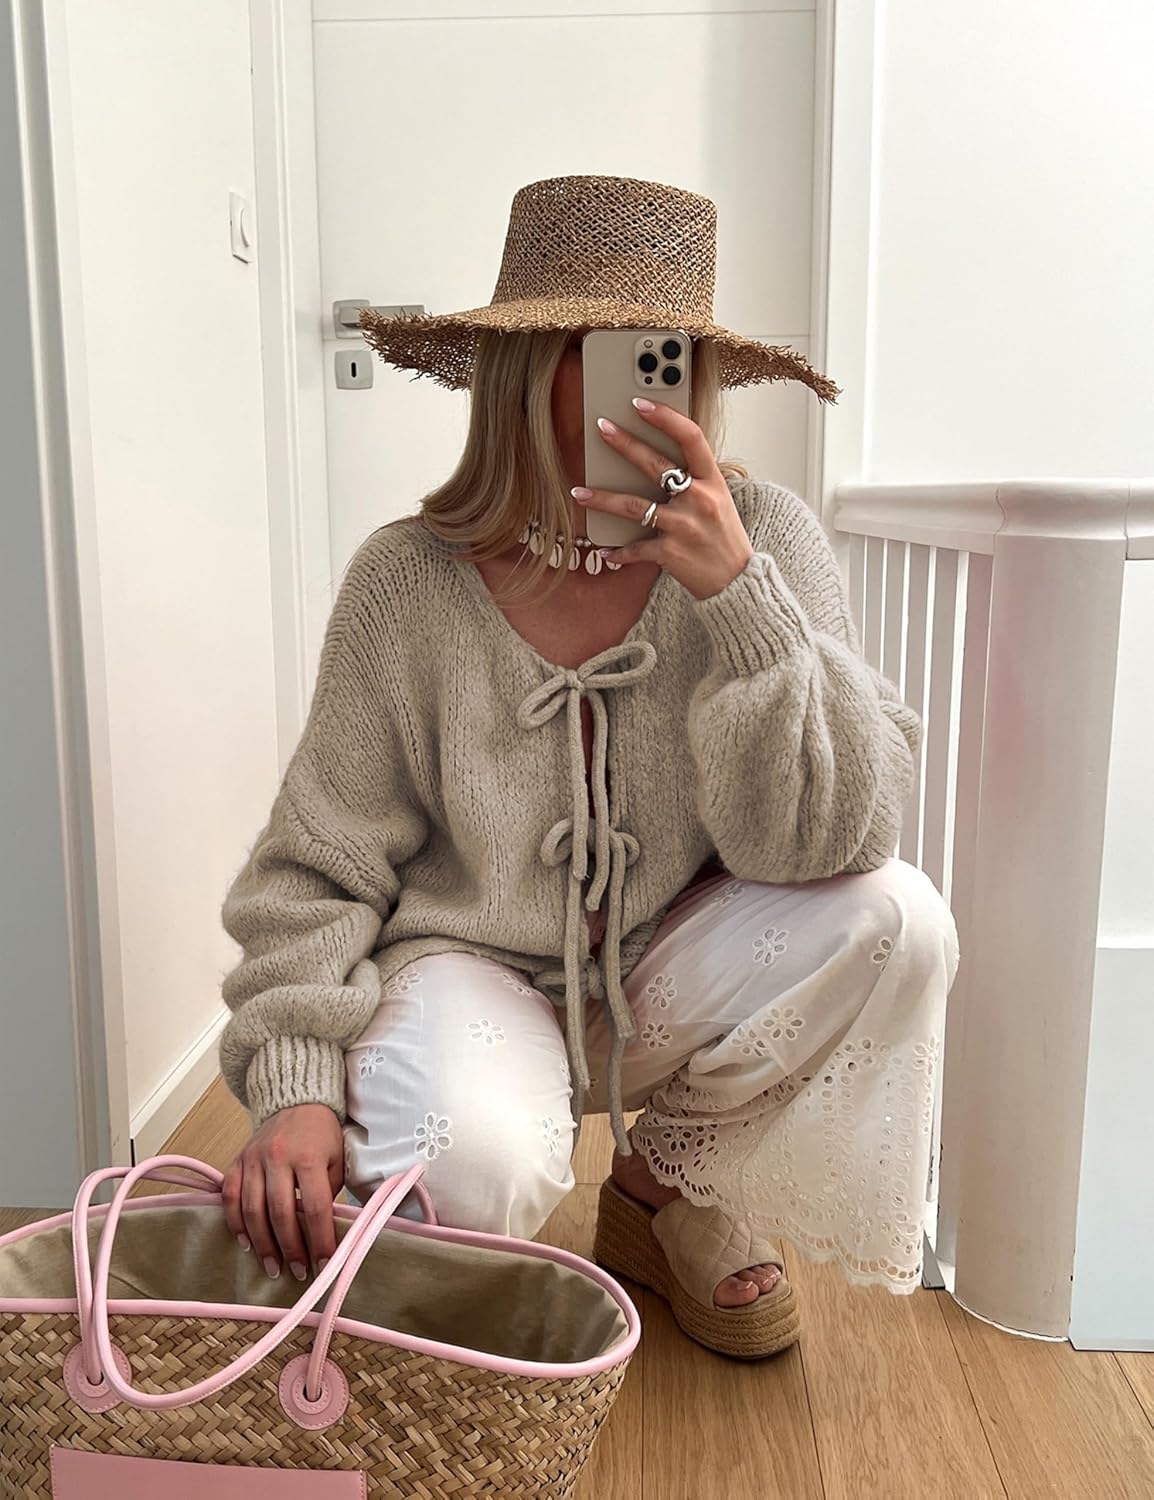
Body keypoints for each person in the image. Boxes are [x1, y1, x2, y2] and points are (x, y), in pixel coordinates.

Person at [216, 174, 960, 1360]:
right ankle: (468, 1145)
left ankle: (661, 1198)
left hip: (668, 971)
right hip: (464, 966)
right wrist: (297, 1081)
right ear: (521, 367)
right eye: (597, 350)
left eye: (667, 354)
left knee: (896, 920)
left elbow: (833, 841)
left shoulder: (764, 539)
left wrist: (739, 602)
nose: (643, 387)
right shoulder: (405, 580)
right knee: (468, 1176)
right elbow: (318, 865)